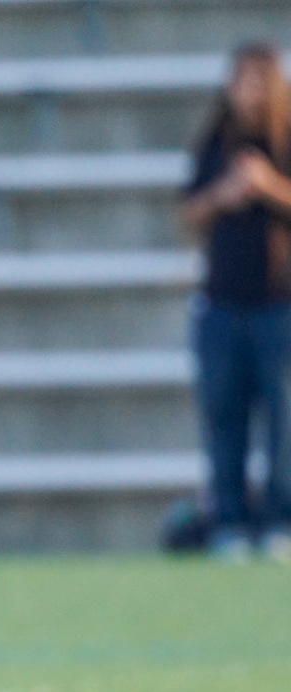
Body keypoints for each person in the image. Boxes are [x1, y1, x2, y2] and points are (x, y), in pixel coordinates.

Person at [180, 41, 291, 561]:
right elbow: (188, 212)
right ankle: (229, 521)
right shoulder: (216, 143)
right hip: (222, 304)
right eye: (238, 78)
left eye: (255, 79)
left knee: (284, 422)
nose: (245, 89)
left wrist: (270, 186)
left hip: (279, 304)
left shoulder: (285, 143)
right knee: (224, 416)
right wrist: (223, 193)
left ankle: (280, 523)